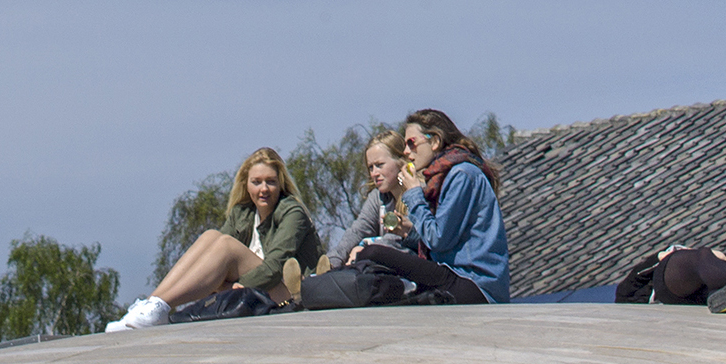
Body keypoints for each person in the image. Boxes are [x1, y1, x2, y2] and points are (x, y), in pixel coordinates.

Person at [113, 147, 328, 330]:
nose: (264, 189)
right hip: (255, 292)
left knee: (226, 245)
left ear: (280, 184)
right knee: (211, 236)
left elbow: (274, 268)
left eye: (270, 182)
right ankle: (152, 305)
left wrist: (235, 288)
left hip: (292, 298)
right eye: (257, 182)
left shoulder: (292, 213)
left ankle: (159, 307)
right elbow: (212, 261)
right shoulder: (242, 214)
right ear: (246, 184)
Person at [320, 110, 504, 305]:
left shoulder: (462, 175)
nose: (407, 152)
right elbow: (436, 236)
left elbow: (438, 240)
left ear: (434, 142)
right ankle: (329, 282)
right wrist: (409, 231)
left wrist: (414, 193)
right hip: (452, 277)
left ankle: (333, 282)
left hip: (473, 283)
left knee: (372, 253)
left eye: (411, 143)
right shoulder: (444, 177)